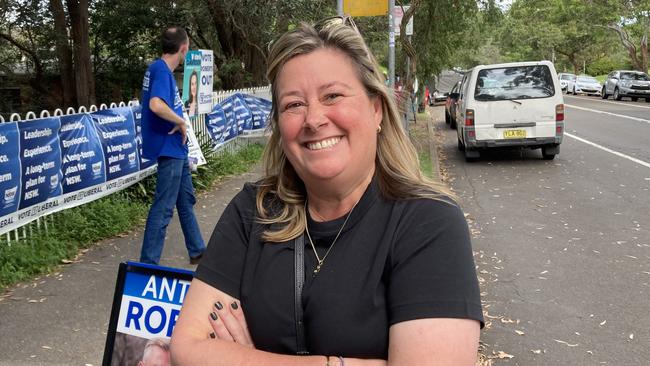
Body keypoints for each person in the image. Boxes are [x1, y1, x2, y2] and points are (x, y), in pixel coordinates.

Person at [170, 17, 483, 365]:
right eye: (293, 104)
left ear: (376, 109)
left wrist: (248, 358)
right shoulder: (254, 210)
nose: (313, 119)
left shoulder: (428, 221)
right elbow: (188, 348)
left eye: (332, 95)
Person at [139, 26, 205, 265]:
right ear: (184, 49)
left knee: (185, 200)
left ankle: (198, 250)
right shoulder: (162, 71)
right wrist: (180, 121)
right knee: (164, 207)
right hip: (169, 148)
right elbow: (156, 105)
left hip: (176, 148)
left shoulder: (157, 69)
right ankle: (148, 264)